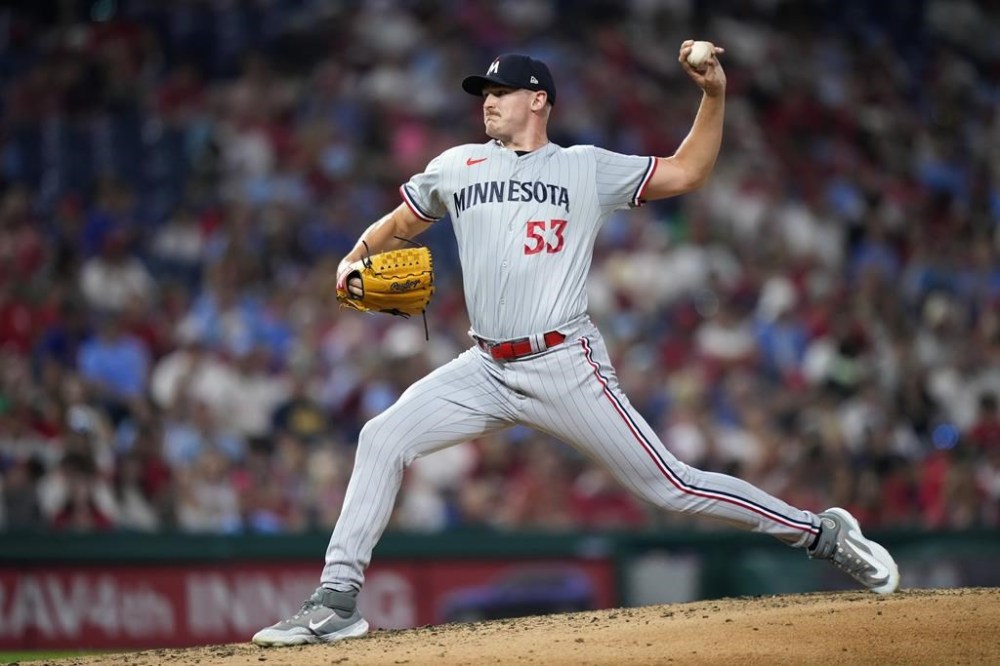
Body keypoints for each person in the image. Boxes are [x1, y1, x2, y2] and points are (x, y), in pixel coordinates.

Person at [252, 42, 899, 647]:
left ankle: (821, 532)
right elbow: (400, 223)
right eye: (484, 92)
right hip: (484, 366)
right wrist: (354, 258)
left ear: (539, 99)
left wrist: (714, 96)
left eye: (501, 91)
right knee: (381, 437)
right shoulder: (457, 163)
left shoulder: (584, 168)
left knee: (672, 486)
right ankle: (337, 599)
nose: (488, 100)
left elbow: (689, 172)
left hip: (564, 363)